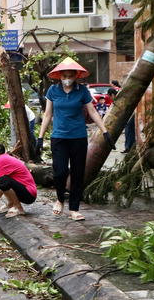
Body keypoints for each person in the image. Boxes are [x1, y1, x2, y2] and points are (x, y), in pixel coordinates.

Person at [36, 57, 114, 221]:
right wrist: (40, 137)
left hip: (78, 136)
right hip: (59, 137)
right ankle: (59, 199)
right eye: (64, 76)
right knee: (60, 171)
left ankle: (74, 208)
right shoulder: (52, 91)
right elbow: (48, 114)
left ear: (76, 76)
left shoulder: (82, 91)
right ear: (59, 76)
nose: (67, 79)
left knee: (78, 173)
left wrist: (105, 132)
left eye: (70, 75)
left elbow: (92, 112)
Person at [0, 142, 37, 219]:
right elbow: (1, 183)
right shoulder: (2, 158)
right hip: (27, 192)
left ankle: (18, 207)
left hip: (29, 193)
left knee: (1, 180)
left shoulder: (1, 160)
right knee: (0, 179)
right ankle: (10, 203)